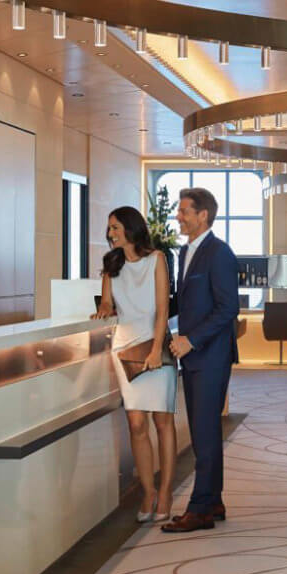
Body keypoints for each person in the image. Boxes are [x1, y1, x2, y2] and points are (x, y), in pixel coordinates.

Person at [161, 188, 239, 533]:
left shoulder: (219, 253)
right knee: (203, 432)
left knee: (204, 433)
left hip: (210, 356)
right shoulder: (185, 251)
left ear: (202, 215)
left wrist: (191, 340)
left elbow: (228, 308)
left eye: (183, 211)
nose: (178, 216)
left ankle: (200, 509)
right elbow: (187, 302)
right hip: (194, 357)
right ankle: (214, 501)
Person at [92, 207, 177, 523]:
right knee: (136, 424)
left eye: (115, 227)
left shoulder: (156, 259)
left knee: (162, 422)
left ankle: (165, 491)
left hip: (156, 346)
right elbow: (106, 303)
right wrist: (103, 309)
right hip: (124, 349)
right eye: (109, 228)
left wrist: (155, 349)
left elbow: (162, 309)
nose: (110, 233)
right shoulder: (111, 264)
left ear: (130, 228)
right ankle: (148, 491)